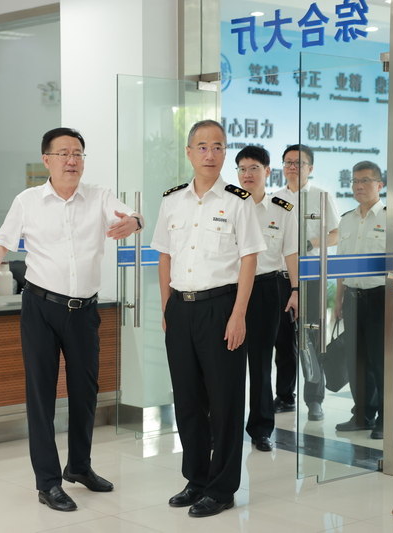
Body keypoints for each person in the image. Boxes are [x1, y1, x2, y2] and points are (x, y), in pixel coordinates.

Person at [0, 127, 142, 512]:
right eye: (64, 153)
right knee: (41, 395)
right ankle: (48, 482)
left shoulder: (99, 196)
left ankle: (79, 466)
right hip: (40, 307)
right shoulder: (28, 201)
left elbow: (131, 214)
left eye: (78, 154)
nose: (72, 161)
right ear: (47, 160)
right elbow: (1, 241)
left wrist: (135, 222)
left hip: (84, 311)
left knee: (86, 392)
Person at [151, 120, 265, 517]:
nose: (210, 154)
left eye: (217, 146)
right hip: (180, 308)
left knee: (225, 401)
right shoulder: (172, 201)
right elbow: (164, 256)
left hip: (221, 308)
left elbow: (249, 259)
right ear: (189, 153)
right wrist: (166, 307)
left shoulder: (237, 200)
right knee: (187, 400)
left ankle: (221, 489)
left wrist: (239, 315)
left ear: (224, 152)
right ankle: (196, 479)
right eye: (202, 147)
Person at [235, 145, 299, 452]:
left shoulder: (281, 208)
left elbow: (291, 252)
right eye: (242, 169)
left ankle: (261, 429)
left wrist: (295, 290)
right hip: (231, 290)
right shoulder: (229, 203)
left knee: (261, 363)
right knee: (227, 364)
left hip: (266, 289)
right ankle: (223, 427)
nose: (247, 175)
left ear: (267, 171)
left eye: (254, 168)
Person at [272, 144, 340, 421]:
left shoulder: (321, 196)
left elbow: (335, 234)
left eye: (298, 163)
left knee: (310, 339)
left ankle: (314, 400)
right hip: (280, 278)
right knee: (283, 341)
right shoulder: (274, 199)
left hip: (310, 278)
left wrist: (310, 243)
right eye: (288, 162)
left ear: (309, 168)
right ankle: (285, 396)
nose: (292, 167)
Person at [334, 161, 386, 440]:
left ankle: (384, 420)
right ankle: (363, 415)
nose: (359, 186)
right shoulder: (346, 220)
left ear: (380, 185)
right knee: (357, 361)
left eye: (365, 181)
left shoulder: (389, 219)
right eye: (355, 181)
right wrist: (338, 300)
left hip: (379, 298)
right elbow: (341, 265)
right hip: (352, 298)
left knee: (380, 361)